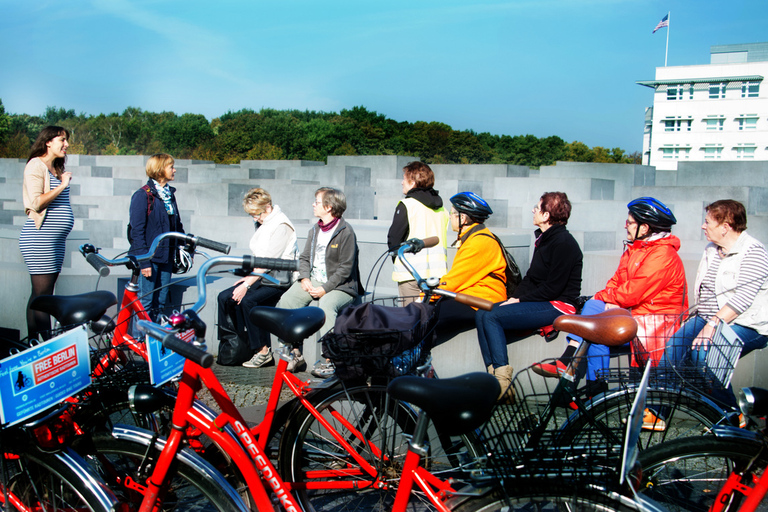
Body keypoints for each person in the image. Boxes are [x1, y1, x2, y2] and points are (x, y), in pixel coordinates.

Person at [533, 197, 688, 401]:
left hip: (655, 323)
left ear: (645, 228)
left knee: (595, 313)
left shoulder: (663, 255)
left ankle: (578, 375)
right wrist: (605, 299)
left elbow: (632, 293)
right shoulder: (636, 249)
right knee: (596, 322)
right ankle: (592, 393)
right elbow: (615, 283)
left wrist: (603, 298)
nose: (626, 225)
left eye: (630, 222)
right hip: (636, 316)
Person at [661, 199, 768, 417]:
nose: (703, 226)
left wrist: (712, 325)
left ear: (726, 226)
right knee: (673, 349)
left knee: (704, 357)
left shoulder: (753, 251)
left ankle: (732, 417)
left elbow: (743, 299)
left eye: (708, 222)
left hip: (746, 322)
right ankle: (658, 413)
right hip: (708, 317)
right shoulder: (712, 249)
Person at [475, 192, 583, 402]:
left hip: (559, 305)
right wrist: (512, 298)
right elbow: (531, 279)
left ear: (546, 215)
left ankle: (502, 385)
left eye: (537, 207)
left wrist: (520, 301)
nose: (533, 210)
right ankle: (493, 379)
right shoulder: (545, 239)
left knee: (491, 317)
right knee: (482, 313)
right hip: (543, 300)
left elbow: (553, 288)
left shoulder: (563, 243)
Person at [276, 187, 364, 375]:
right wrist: (304, 277)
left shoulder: (346, 232)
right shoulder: (314, 229)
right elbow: (305, 257)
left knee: (325, 306)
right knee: (287, 300)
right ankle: (294, 353)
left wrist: (325, 288)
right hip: (315, 279)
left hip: (341, 285)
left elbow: (345, 268)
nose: (313, 205)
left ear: (329, 207)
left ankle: (332, 359)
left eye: (316, 202)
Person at [217, 188, 299, 368]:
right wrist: (247, 278)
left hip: (278, 279)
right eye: (252, 215)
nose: (254, 218)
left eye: (256, 214)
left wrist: (247, 283)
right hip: (262, 275)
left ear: (267, 207)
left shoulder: (281, 226)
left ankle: (263, 351)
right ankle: (236, 345)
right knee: (225, 297)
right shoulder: (264, 222)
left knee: (249, 301)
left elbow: (269, 261)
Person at [20, 126, 74, 340]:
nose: (66, 144)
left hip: (55, 242)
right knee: (43, 297)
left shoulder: (57, 168)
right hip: (39, 239)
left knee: (40, 295)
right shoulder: (36, 165)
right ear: (48, 142)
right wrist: (62, 185)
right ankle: (47, 347)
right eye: (62, 139)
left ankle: (33, 344)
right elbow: (36, 202)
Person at [433, 192, 507, 342]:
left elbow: (455, 280)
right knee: (430, 314)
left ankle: (418, 360)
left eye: (453, 213)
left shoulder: (477, 243)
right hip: (474, 295)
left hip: (484, 299)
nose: (450, 217)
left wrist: (425, 297)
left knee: (429, 315)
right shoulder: (475, 237)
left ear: (463, 218)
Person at [128, 153, 184, 320]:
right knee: (146, 303)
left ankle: (155, 342)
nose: (174, 170)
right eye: (170, 166)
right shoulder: (142, 195)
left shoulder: (169, 194)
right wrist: (144, 261)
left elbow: (177, 225)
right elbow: (136, 232)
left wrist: (185, 246)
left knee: (160, 302)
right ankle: (140, 342)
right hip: (150, 259)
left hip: (166, 256)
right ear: (160, 170)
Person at [387, 162, 450, 305]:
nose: (402, 182)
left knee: (411, 321)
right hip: (437, 276)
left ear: (413, 181)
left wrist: (399, 261)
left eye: (404, 178)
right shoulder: (442, 209)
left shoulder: (407, 205)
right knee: (430, 320)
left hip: (410, 274)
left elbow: (393, 240)